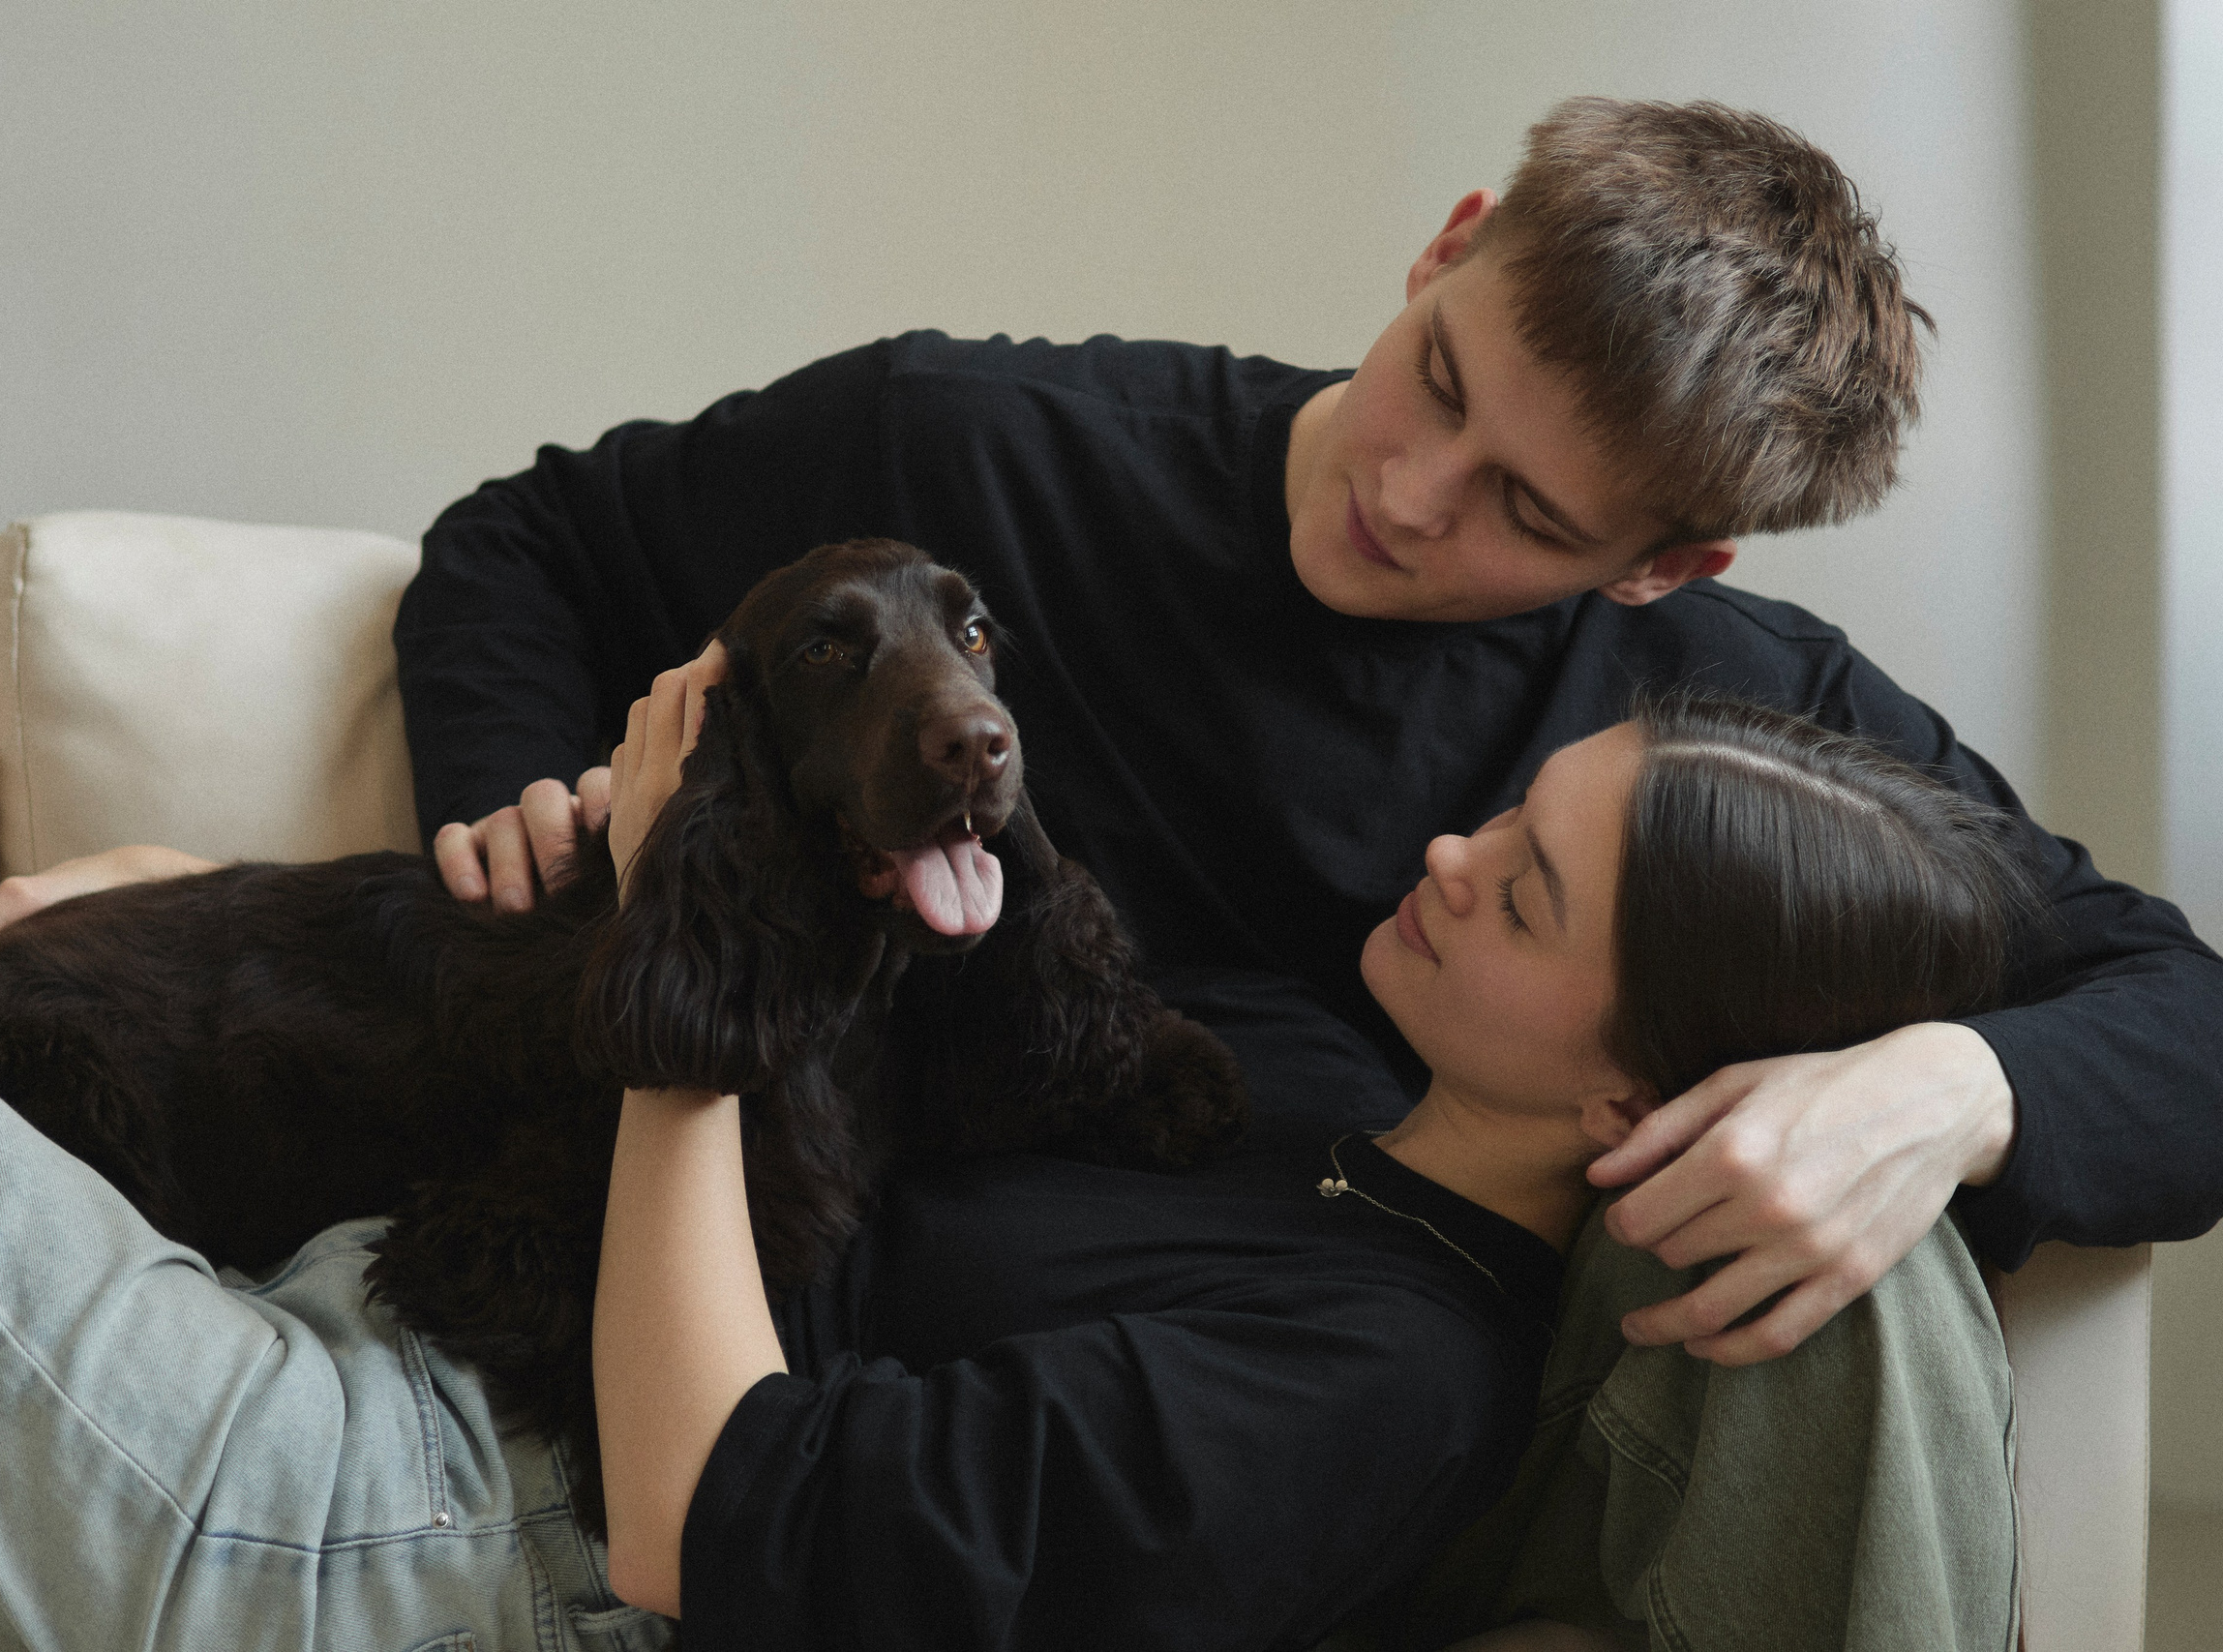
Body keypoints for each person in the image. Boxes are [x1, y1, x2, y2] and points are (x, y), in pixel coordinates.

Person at [358, 95, 2223, 1363]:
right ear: (1449, 247)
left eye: (1534, 521)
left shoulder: (1733, 716)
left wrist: (1955, 1091)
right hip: (755, 1286)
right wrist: (520, 789)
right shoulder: (967, 444)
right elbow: (528, 540)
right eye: (1439, 385)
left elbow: (2185, 1016)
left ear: (1666, 567)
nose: (1415, 498)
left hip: (1251, 1371)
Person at [0, 688, 2031, 1651]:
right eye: (1508, 810)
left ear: (1645, 1104)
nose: (1443, 853)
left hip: (429, 1527)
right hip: (359, 1286)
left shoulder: (1366, 1379)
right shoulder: (1298, 1092)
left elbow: (698, 1512)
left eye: (1520, 892)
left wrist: (678, 975)